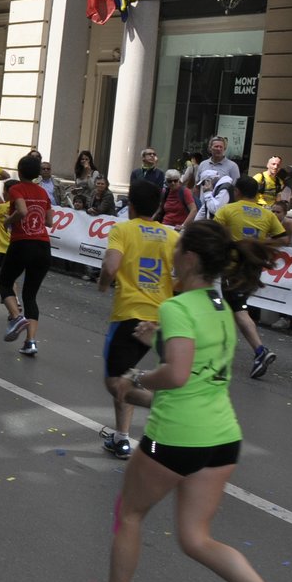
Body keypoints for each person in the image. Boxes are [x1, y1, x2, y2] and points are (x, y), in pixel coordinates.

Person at [73, 221, 292, 582]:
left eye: (178, 245)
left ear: (187, 258)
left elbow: (178, 375)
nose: (174, 252)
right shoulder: (222, 306)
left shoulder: (178, 306)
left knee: (129, 513)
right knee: (195, 538)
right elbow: (200, 368)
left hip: (177, 438)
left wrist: (136, 378)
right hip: (222, 437)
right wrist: (161, 344)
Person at [96, 179, 177, 458]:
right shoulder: (172, 236)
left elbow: (111, 265)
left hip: (130, 316)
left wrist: (104, 282)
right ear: (157, 209)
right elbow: (181, 277)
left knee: (115, 383)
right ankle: (121, 438)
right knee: (127, 376)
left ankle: (165, 407)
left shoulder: (122, 230)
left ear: (129, 206)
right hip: (162, 319)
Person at [214, 176, 289, 379]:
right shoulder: (267, 215)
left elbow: (213, 234)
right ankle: (221, 356)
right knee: (231, 309)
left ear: (237, 191)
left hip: (231, 268)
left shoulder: (228, 210)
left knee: (232, 310)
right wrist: (261, 245)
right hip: (253, 268)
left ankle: (258, 351)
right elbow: (283, 238)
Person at [0, 152, 55, 357]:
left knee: (5, 282)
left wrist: (8, 221)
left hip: (23, 243)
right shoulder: (43, 192)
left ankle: (16, 316)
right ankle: (30, 342)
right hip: (43, 246)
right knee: (30, 296)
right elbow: (49, 222)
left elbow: (21, 211)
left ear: (20, 171)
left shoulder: (16, 189)